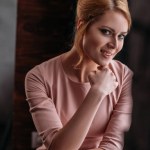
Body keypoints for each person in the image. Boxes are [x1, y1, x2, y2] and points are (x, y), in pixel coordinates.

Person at [25, 0, 133, 149]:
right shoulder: (39, 77)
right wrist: (96, 92)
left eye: (121, 36)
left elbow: (112, 146)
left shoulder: (125, 77)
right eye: (106, 32)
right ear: (81, 24)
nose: (115, 45)